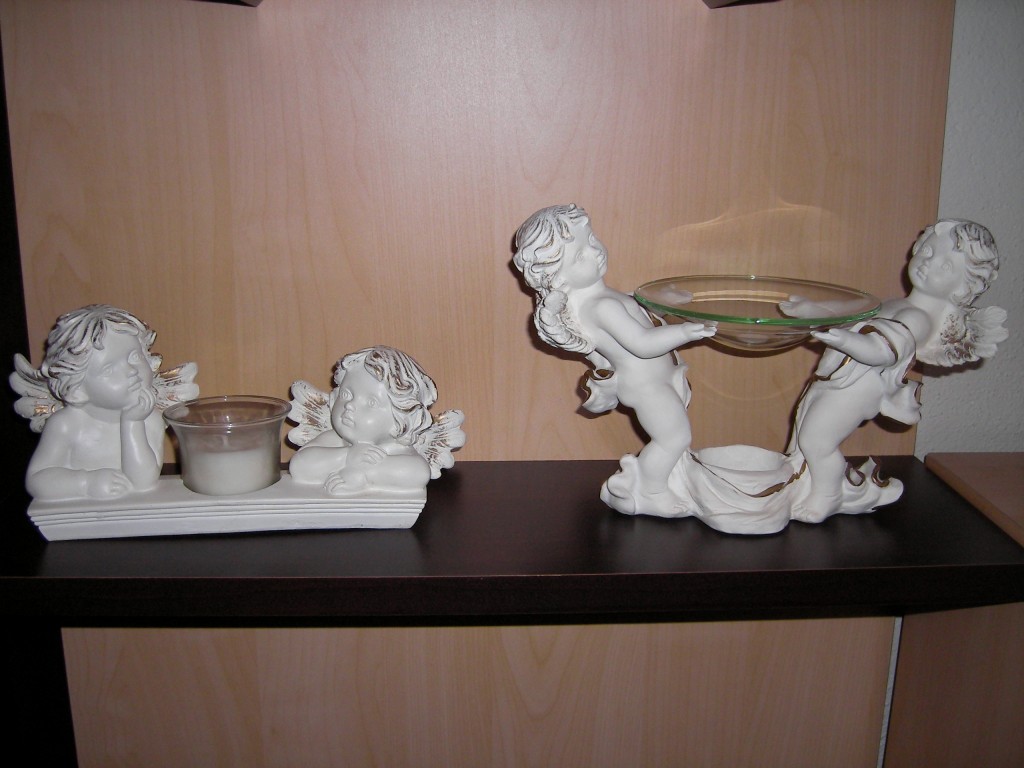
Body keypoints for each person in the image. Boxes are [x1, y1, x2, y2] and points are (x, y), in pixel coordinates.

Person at [781, 219, 1007, 521]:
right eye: (927, 250)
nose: (928, 261)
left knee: (816, 441)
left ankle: (827, 495)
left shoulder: (919, 320)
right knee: (803, 436)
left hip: (860, 389)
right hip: (835, 379)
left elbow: (883, 352)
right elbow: (850, 313)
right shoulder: (894, 303)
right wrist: (814, 311)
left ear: (962, 287)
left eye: (945, 265)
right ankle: (804, 482)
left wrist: (842, 339)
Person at [512, 204, 715, 515]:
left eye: (592, 239)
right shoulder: (601, 307)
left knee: (673, 437)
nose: (595, 251)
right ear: (557, 276)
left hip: (657, 379)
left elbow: (639, 313)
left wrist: (663, 303)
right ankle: (649, 492)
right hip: (647, 387)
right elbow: (643, 344)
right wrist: (686, 332)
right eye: (580, 256)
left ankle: (662, 480)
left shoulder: (602, 299)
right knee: (674, 438)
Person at [10, 304, 198, 501]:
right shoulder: (66, 424)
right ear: (77, 390)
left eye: (135, 356)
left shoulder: (149, 419)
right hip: (80, 516)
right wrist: (86, 483)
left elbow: (143, 483)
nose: (131, 370)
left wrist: (132, 423)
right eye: (108, 369)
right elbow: (37, 480)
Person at [288, 346, 465, 495]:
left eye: (371, 402)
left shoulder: (398, 448)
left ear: (400, 421)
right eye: (346, 394)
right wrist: (349, 455)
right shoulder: (335, 439)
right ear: (334, 399)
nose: (350, 405)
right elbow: (300, 466)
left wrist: (362, 474)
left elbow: (417, 473)